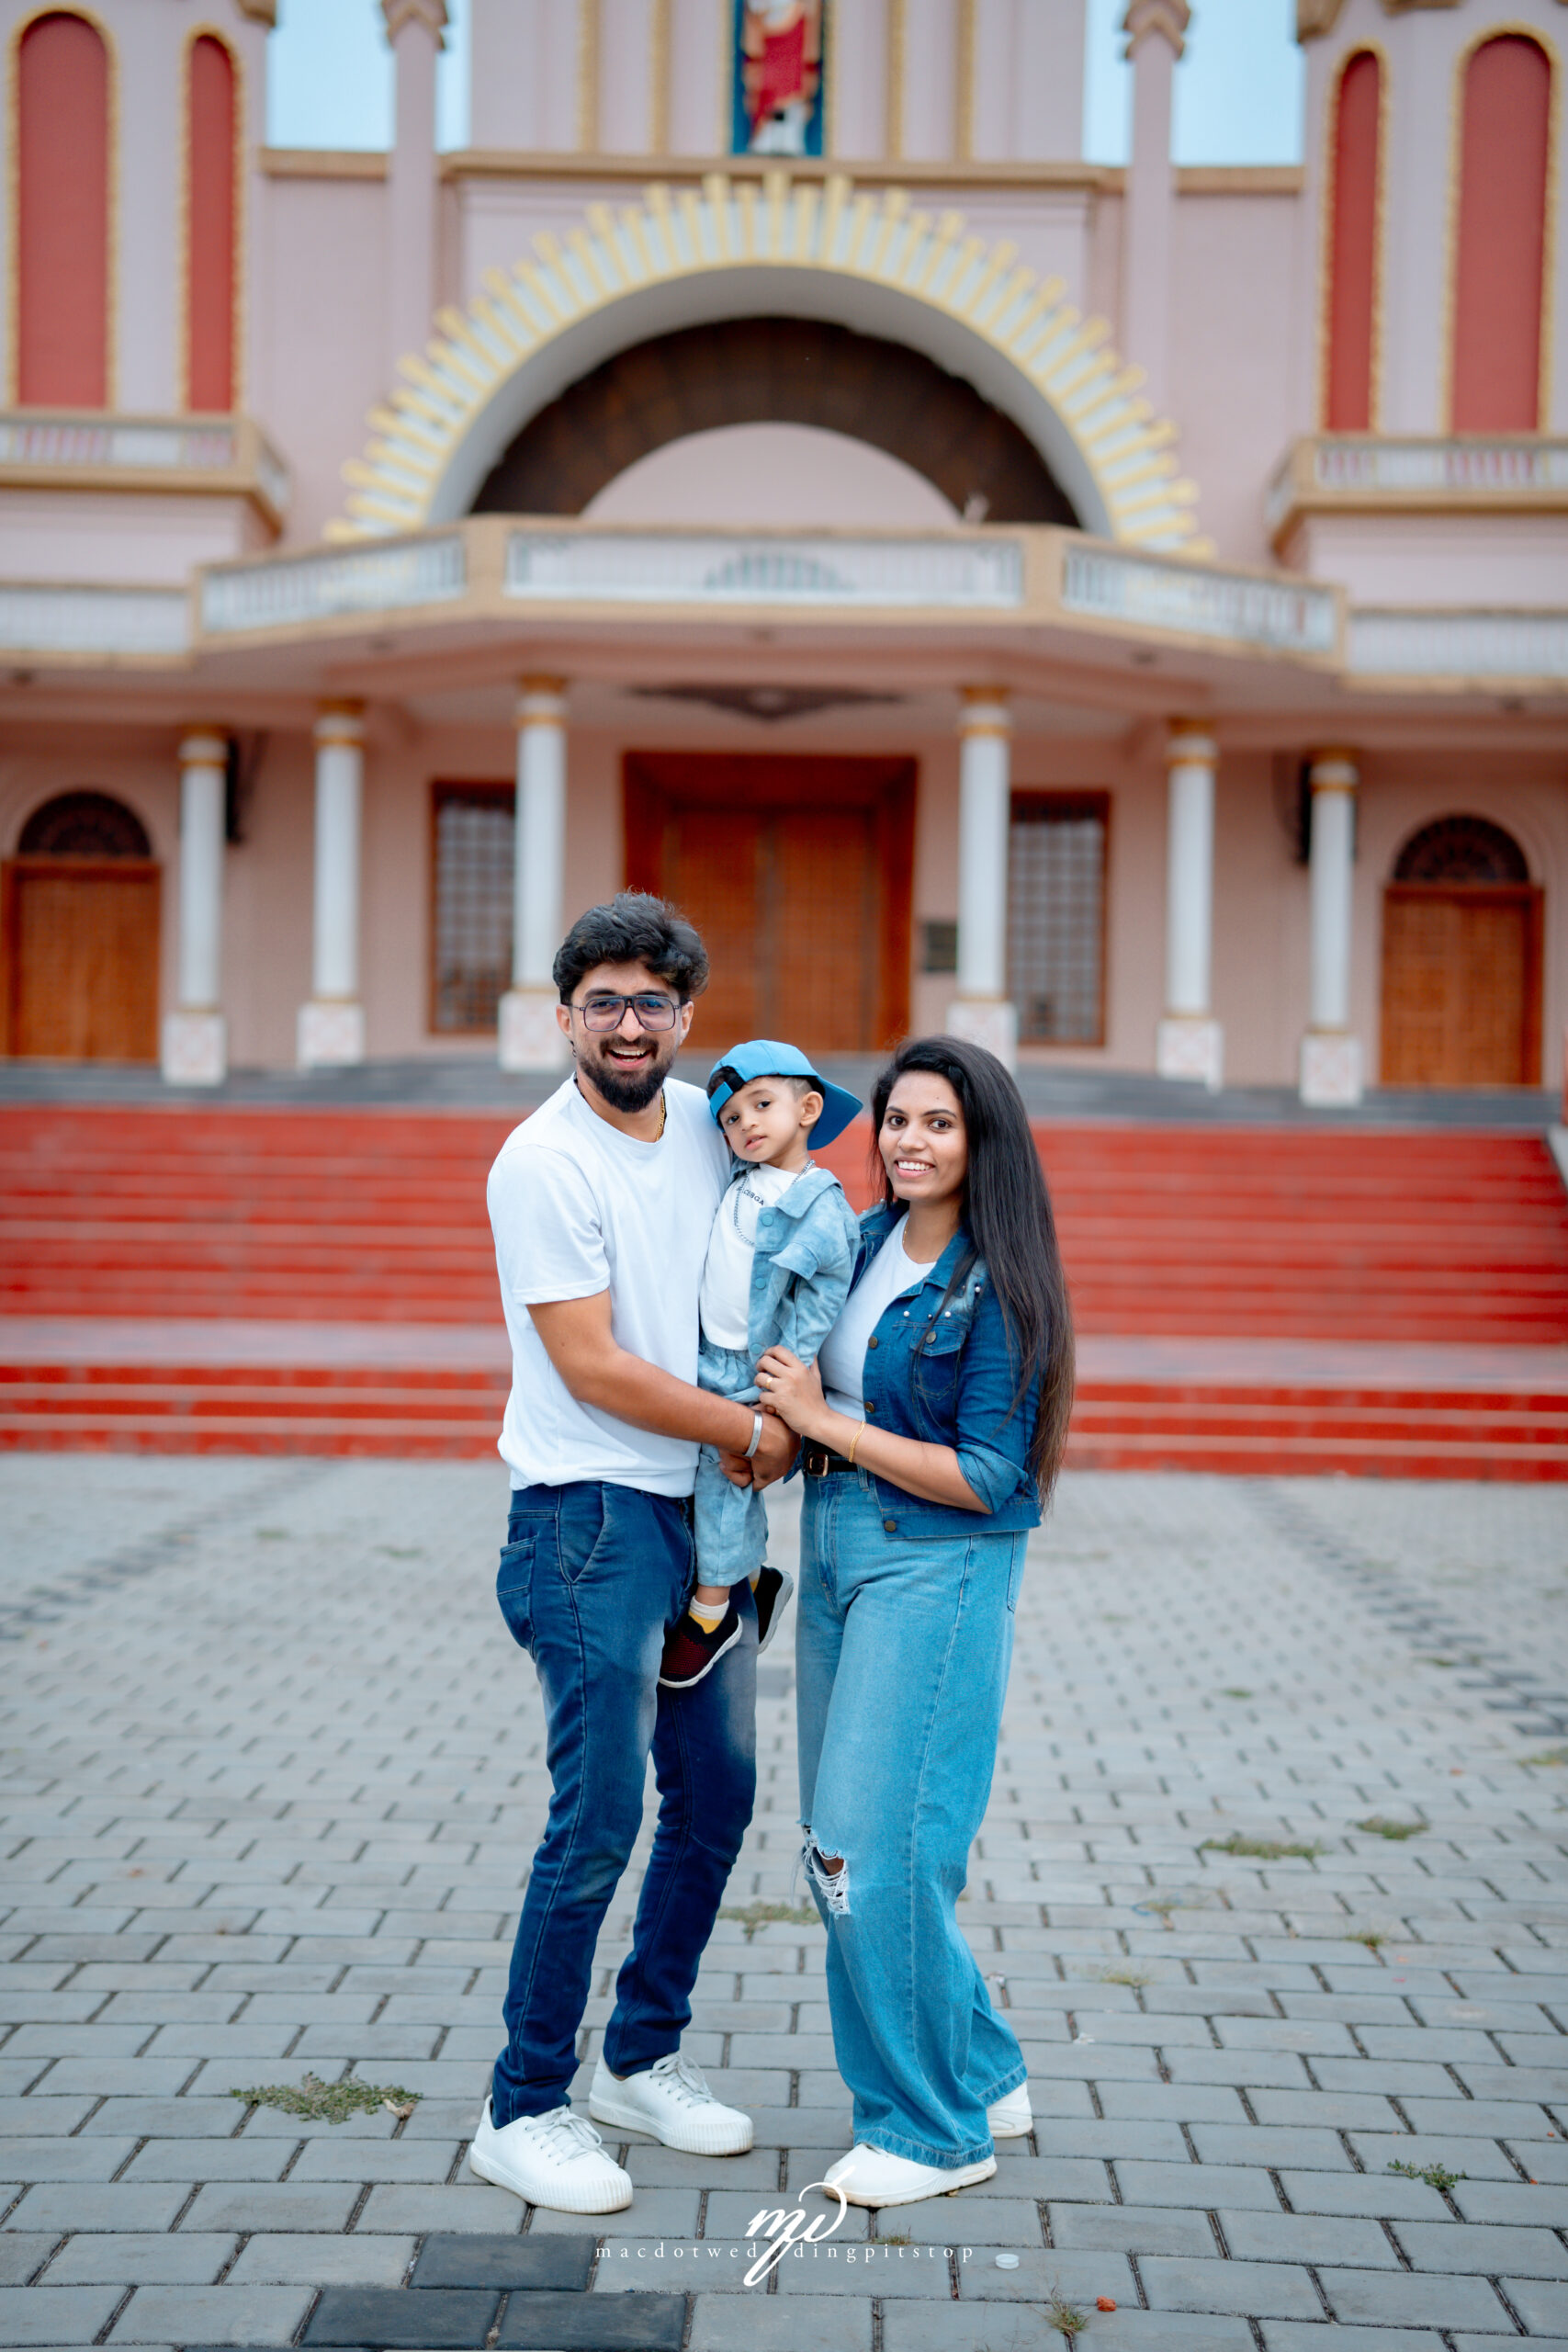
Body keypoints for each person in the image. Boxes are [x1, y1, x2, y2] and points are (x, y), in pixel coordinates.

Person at [470, 892, 797, 2217]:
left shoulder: (714, 1133)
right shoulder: (541, 1161)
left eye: (649, 1001)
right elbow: (593, 1366)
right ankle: (521, 2105)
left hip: (703, 1523)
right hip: (587, 1521)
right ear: (563, 1017)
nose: (625, 1023)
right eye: (601, 1001)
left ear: (684, 1017)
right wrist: (755, 1431)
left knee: (715, 1799)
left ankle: (637, 2058)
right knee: (599, 1816)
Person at [755, 1034, 1075, 2209]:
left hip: (935, 1565)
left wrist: (822, 1423)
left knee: (868, 1848)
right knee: (842, 1847)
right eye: (897, 1118)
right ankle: (981, 2069)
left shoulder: (1003, 1283)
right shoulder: (861, 1240)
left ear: (983, 1139)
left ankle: (933, 2132)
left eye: (939, 1122)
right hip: (835, 1543)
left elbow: (989, 1474)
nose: (909, 1140)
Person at [660, 1040, 863, 1690]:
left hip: (753, 1370)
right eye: (730, 1118)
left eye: (762, 1105)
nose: (745, 1123)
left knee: (723, 1477)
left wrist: (781, 1382)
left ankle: (712, 1611)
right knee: (692, 1476)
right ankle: (755, 1579)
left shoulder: (817, 1204)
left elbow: (823, 1293)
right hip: (702, 1355)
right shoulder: (737, 1178)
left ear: (807, 1109)